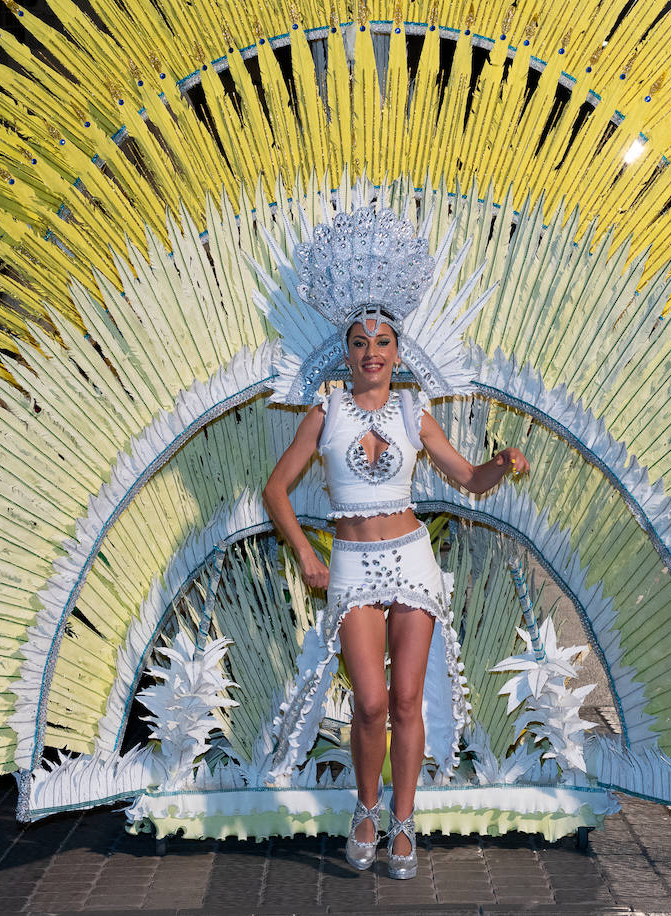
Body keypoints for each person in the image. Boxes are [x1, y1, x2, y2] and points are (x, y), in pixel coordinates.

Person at [264, 309, 529, 880]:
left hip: (411, 556)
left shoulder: (415, 411)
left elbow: (468, 477)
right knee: (371, 702)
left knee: (406, 699)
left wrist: (501, 463)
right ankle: (366, 809)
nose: (371, 352)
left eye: (382, 343)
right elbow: (275, 490)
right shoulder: (324, 412)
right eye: (360, 343)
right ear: (347, 353)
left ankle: (403, 821)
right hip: (353, 563)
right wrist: (308, 556)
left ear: (398, 354)